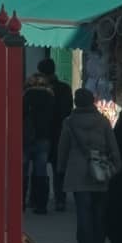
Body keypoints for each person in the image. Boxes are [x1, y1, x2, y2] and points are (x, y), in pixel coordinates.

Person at [57, 88, 122, 243]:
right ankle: (98, 236)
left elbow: (63, 147)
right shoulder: (102, 121)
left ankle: (85, 241)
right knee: (99, 205)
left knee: (82, 207)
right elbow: (112, 146)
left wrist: (61, 167)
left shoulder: (69, 122)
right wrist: (117, 166)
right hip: (100, 167)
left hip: (77, 168)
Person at [39, 58, 74, 211]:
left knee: (40, 169)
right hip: (59, 132)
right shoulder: (64, 88)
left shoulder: (40, 89)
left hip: (44, 133)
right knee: (58, 168)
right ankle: (60, 199)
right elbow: (67, 110)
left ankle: (41, 200)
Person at [22, 73, 56, 214]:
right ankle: (41, 204)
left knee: (23, 171)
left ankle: (21, 202)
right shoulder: (50, 97)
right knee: (41, 172)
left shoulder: (25, 96)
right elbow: (54, 118)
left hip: (25, 138)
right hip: (44, 138)